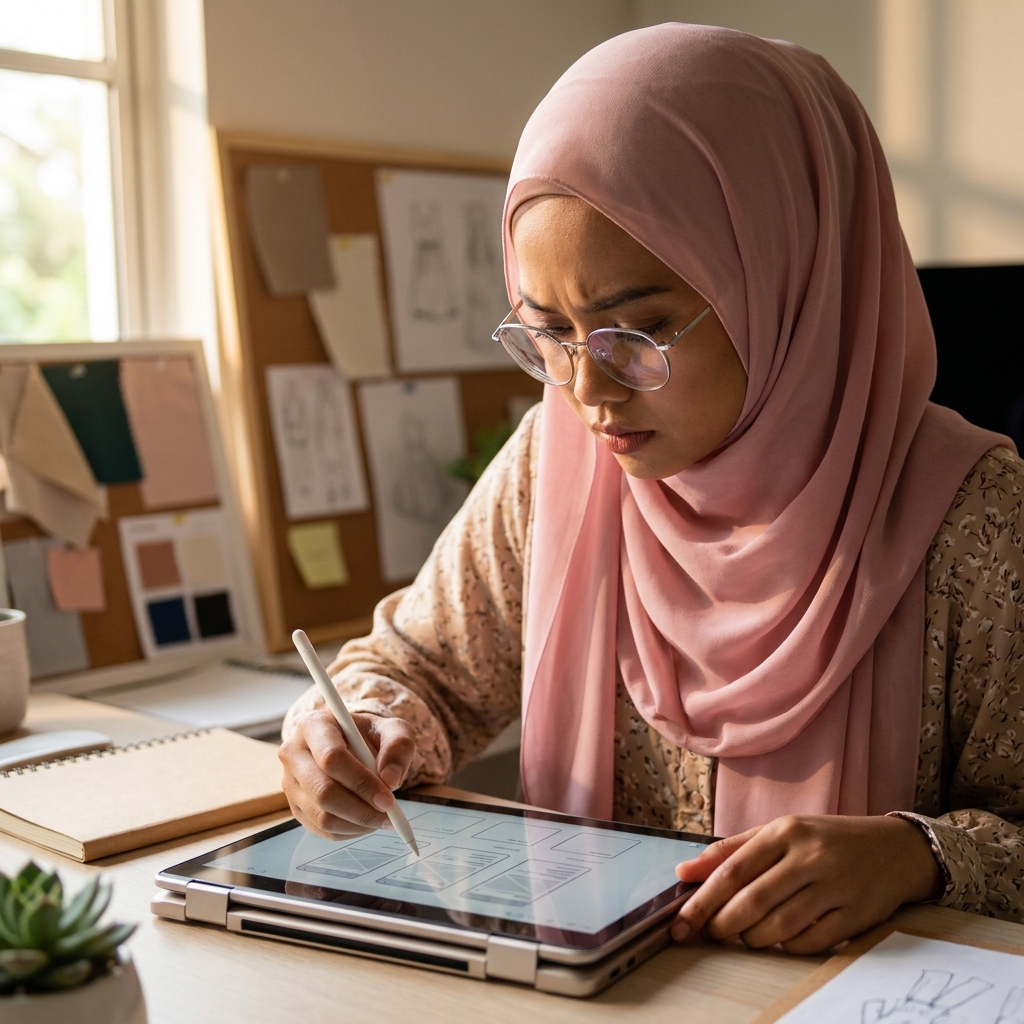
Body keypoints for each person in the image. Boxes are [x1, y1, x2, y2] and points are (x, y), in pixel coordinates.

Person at [279, 24, 1024, 954]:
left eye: (638, 331)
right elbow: (414, 672)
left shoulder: (975, 515)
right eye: (546, 334)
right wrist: (351, 735)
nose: (587, 390)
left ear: (784, 281)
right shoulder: (557, 467)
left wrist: (918, 856)